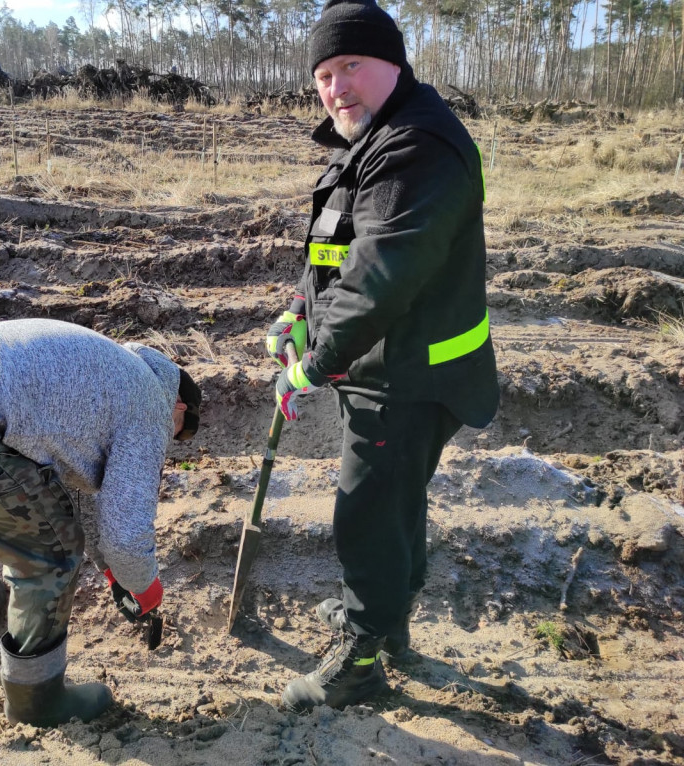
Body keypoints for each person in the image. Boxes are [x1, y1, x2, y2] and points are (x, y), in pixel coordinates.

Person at [265, 0, 500, 712]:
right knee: (394, 502)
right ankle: (387, 623)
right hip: (385, 369)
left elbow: (380, 275)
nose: (337, 87)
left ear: (394, 63)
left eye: (352, 67)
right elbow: (336, 254)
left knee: (368, 512)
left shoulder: (418, 147)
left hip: (411, 375)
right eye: (325, 74)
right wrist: (297, 314)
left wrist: (315, 361)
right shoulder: (366, 142)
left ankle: (361, 661)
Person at [0, 318, 201, 727]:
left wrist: (112, 573)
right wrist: (145, 585)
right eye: (179, 434)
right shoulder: (152, 405)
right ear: (179, 407)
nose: (171, 442)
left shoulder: (109, 374)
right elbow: (126, 537)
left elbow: (80, 499)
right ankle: (38, 701)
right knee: (52, 550)